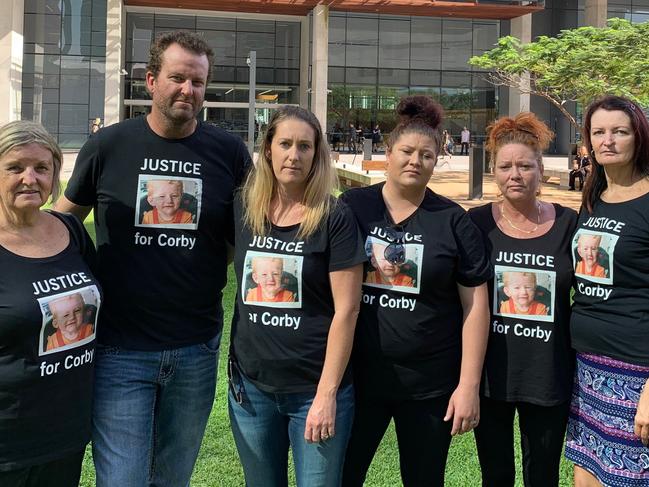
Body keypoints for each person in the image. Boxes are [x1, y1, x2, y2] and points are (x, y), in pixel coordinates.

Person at [54, 31, 251, 487]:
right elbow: (63, 225)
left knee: (172, 478)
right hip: (119, 348)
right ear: (150, 81)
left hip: (196, 347)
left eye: (198, 82)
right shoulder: (108, 147)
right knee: (122, 479)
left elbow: (241, 235)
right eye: (177, 78)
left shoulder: (229, 153)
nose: (188, 90)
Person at [341, 96, 491, 486]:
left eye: (426, 155)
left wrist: (468, 386)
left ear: (437, 159)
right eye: (406, 151)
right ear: (387, 153)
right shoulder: (353, 207)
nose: (415, 161)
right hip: (358, 377)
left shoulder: (453, 220)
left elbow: (475, 306)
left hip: (430, 384)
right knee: (341, 475)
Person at [229, 105, 365, 487]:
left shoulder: (333, 216)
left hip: (313, 391)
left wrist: (326, 395)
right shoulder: (243, 208)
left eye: (305, 146)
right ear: (268, 148)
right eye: (285, 143)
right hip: (251, 389)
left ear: (316, 154)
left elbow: (347, 311)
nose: (294, 155)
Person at [468, 111, 577, 487]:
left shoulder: (568, 224)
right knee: (495, 475)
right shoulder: (476, 224)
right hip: (492, 375)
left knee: (543, 475)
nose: (515, 174)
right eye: (506, 166)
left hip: (548, 375)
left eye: (525, 166)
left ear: (541, 170)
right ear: (494, 172)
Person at [0, 120, 100, 486]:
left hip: (67, 433)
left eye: (41, 167)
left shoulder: (70, 230)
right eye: (15, 167)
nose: (30, 178)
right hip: (9, 442)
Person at [565, 95, 649, 487]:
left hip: (636, 370)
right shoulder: (593, 198)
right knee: (589, 472)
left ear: (639, 137)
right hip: (586, 367)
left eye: (620, 131)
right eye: (599, 132)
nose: (608, 140)